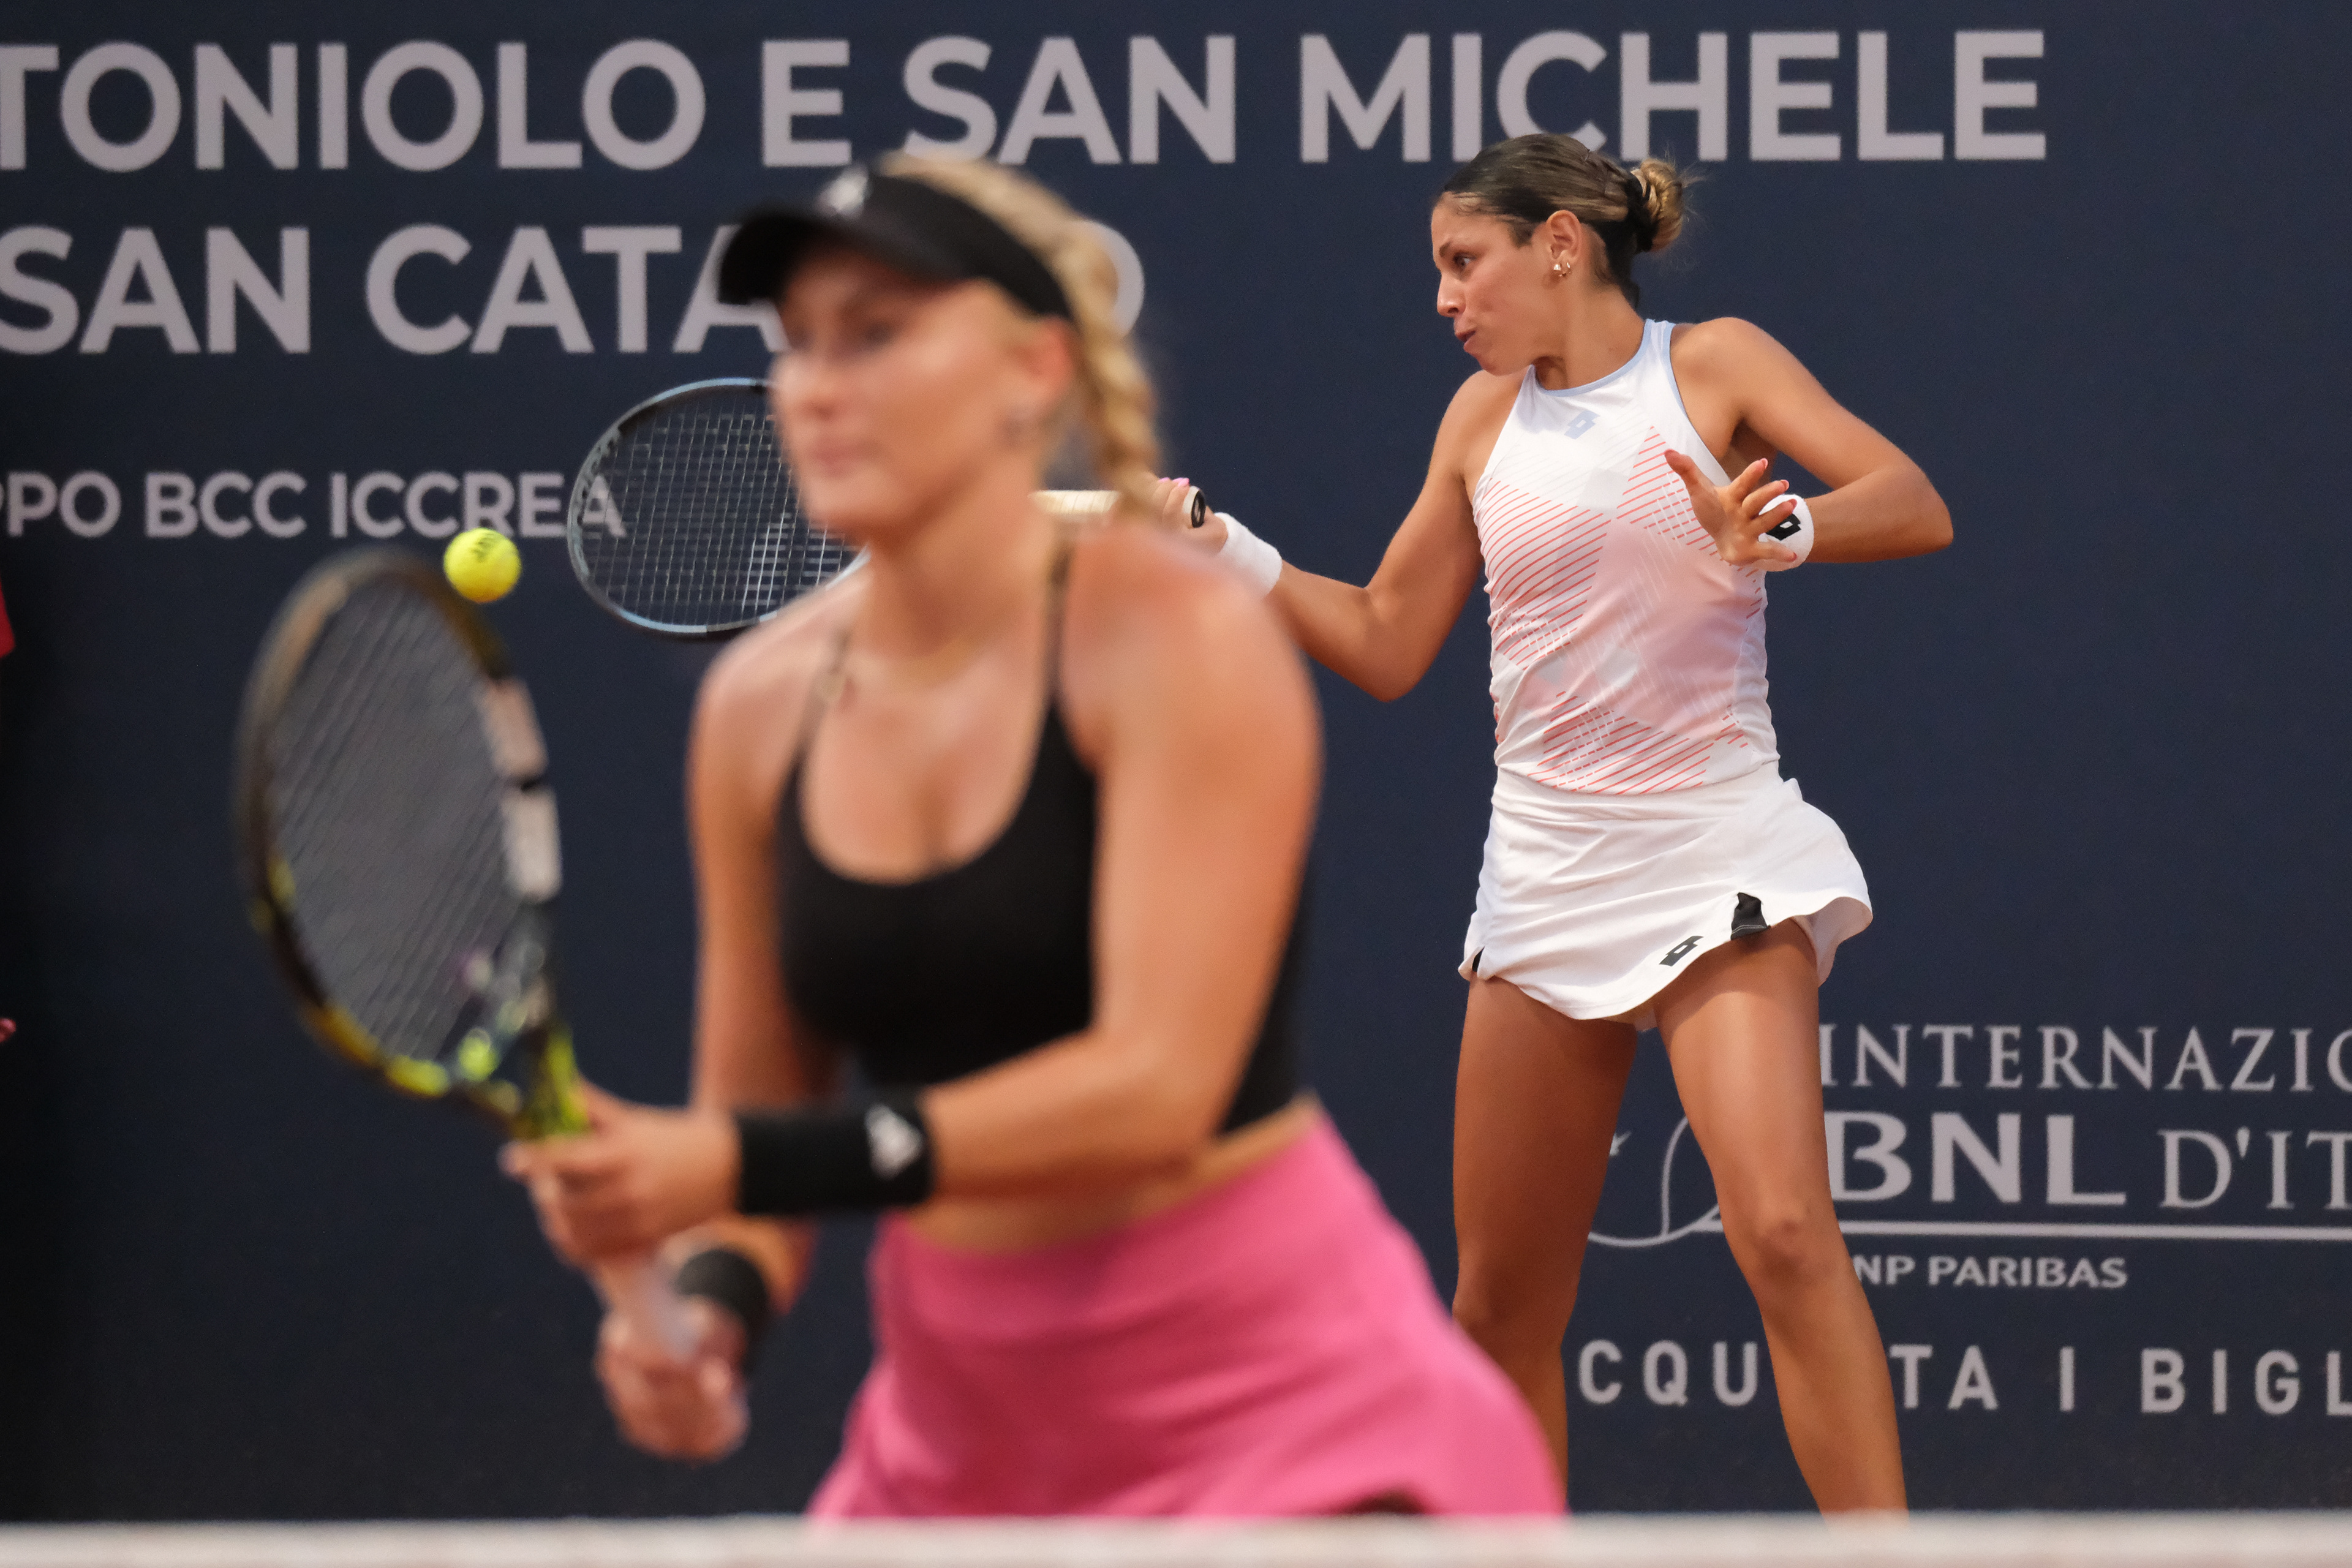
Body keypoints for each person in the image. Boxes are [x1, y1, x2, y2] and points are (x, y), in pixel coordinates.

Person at [502, 154, 1559, 1518]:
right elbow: (756, 1116)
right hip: (960, 1421)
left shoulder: (1179, 642)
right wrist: (710, 1306)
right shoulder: (757, 711)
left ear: (1032, 370)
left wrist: (729, 1164)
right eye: (801, 343)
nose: (820, 384)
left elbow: (1151, 1089)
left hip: (1283, 1406)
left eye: (877, 334)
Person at [1180, 134, 1950, 1510]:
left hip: (1719, 849)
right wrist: (1221, 549)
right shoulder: (1477, 424)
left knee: (1780, 1227)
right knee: (1497, 1311)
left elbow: (1910, 499)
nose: (1444, 299)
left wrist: (1777, 536)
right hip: (1543, 876)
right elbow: (1383, 636)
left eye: (1462, 262)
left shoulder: (1712, 363)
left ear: (1560, 244)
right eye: (1438, 272)